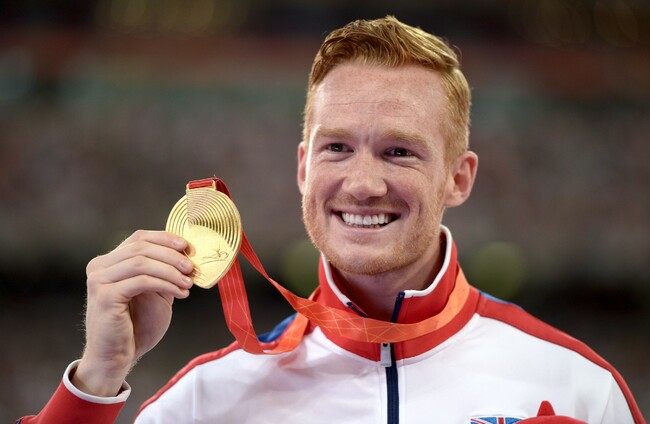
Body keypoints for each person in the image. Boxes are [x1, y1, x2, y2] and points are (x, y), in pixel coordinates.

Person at [18, 16, 645, 424]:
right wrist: (95, 381)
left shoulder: (579, 389)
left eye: (398, 152)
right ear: (303, 167)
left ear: (459, 178)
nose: (363, 184)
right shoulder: (205, 402)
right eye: (337, 147)